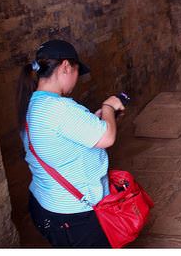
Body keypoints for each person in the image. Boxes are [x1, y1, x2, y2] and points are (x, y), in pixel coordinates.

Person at [17, 39, 125, 248]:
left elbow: (57, 138)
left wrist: (95, 122)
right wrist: (108, 107)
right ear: (66, 66)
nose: (77, 79)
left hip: (45, 205)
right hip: (74, 215)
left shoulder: (32, 103)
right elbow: (107, 138)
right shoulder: (58, 108)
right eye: (77, 71)